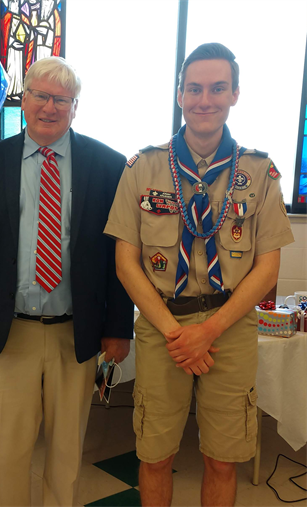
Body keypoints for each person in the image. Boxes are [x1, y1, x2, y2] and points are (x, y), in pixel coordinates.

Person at [105, 43, 294, 507]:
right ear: (179, 95)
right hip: (161, 325)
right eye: (194, 88)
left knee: (222, 458)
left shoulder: (260, 172)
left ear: (234, 95)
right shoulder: (142, 167)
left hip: (228, 327)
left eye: (217, 88)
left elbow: (267, 266)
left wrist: (207, 331)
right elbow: (125, 263)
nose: (204, 99)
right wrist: (176, 332)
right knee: (153, 454)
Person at [0, 56, 135, 507]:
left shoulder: (108, 164)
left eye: (62, 99)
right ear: (25, 99)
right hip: (8, 332)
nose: (50, 107)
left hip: (75, 335)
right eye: (40, 95)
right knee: (11, 453)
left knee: (66, 452)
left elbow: (120, 254)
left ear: (75, 107)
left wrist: (119, 329)